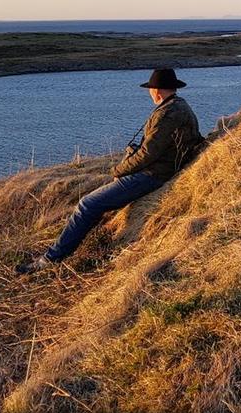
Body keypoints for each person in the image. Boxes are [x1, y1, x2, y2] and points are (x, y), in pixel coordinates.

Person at [16, 68, 204, 275]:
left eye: (151, 89)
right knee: (96, 202)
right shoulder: (179, 106)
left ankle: (50, 259)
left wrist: (119, 170)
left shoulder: (167, 114)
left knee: (87, 204)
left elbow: (148, 154)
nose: (150, 93)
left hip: (153, 174)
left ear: (157, 91)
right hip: (159, 169)